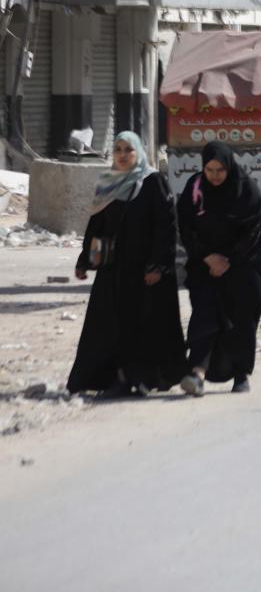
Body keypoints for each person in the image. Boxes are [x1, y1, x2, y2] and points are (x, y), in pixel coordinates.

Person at [67, 132, 186, 397]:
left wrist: (158, 266)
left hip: (146, 272)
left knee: (144, 325)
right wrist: (85, 260)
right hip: (114, 270)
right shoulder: (107, 183)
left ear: (139, 153)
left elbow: (166, 227)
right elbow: (96, 225)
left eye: (128, 150)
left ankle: (140, 377)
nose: (122, 155)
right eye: (118, 149)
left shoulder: (152, 182)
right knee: (109, 326)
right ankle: (113, 377)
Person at [177, 142, 261, 396]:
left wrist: (229, 259)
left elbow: (257, 228)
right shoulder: (196, 188)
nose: (215, 176)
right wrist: (209, 257)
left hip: (245, 265)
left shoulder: (245, 188)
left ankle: (240, 374)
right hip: (206, 266)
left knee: (240, 319)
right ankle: (197, 372)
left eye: (220, 169)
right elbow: (185, 227)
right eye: (209, 170)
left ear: (229, 166)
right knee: (205, 315)